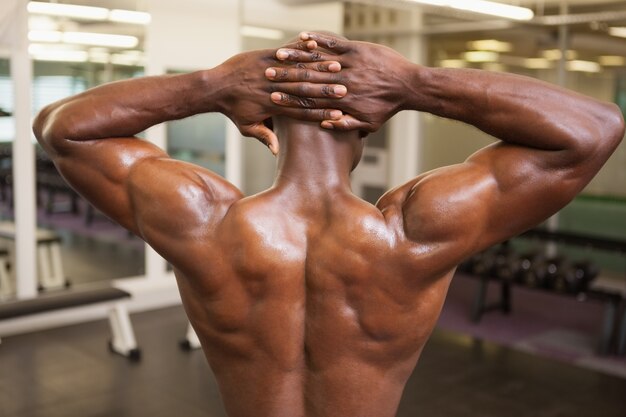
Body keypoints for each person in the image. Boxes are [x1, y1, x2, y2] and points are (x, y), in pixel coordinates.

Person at [33, 31, 624, 417]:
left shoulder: (206, 224)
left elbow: (64, 129)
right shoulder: (413, 232)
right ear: (368, 124)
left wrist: (215, 85)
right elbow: (594, 129)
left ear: (261, 124)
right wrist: (413, 85)